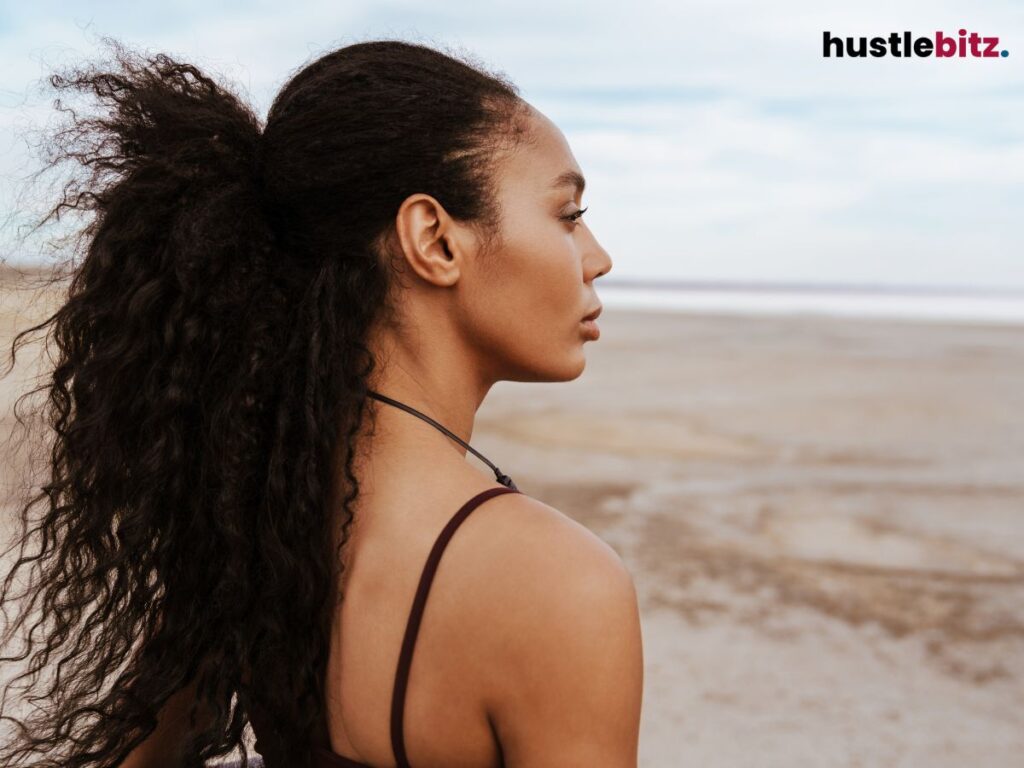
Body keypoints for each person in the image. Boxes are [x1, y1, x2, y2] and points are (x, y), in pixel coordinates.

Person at [0, 36, 643, 768]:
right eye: (568, 213)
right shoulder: (559, 585)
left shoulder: (255, 517)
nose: (598, 256)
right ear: (434, 240)